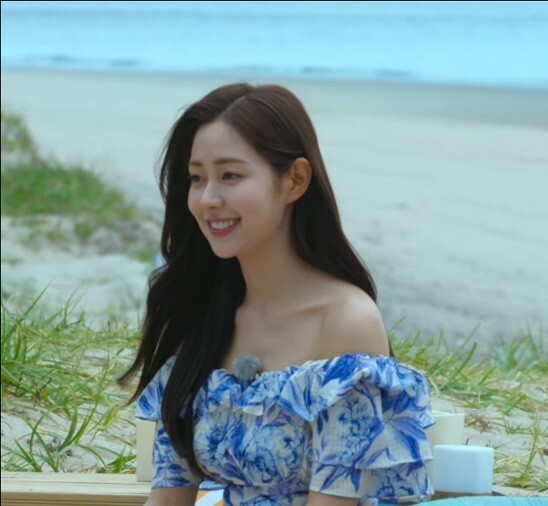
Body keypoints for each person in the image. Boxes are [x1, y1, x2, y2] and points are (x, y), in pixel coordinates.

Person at [118, 83, 434, 506]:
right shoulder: (201, 316)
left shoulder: (345, 323)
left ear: (295, 180)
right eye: (196, 178)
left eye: (230, 175)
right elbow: (168, 499)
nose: (208, 199)